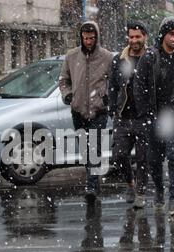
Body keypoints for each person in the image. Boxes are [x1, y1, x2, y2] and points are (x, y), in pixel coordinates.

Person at [134, 16, 174, 218]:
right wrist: (146, 114)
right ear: (164, 35)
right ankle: (160, 191)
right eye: (172, 34)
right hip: (154, 117)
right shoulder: (150, 58)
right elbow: (139, 88)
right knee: (154, 159)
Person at [59, 21, 114, 201]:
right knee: (85, 150)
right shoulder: (72, 56)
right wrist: (68, 95)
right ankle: (94, 180)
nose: (88, 41)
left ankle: (91, 186)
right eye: (85, 38)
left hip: (99, 110)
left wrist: (107, 97)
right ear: (81, 38)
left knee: (95, 148)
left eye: (91, 38)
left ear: (97, 37)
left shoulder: (106, 57)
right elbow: (64, 80)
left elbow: (114, 82)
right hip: (78, 110)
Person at [108, 21, 149, 208]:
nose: (134, 40)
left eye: (137, 37)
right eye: (131, 37)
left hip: (144, 117)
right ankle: (131, 183)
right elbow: (113, 87)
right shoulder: (119, 59)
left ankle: (141, 193)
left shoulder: (151, 59)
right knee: (118, 155)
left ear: (144, 37)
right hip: (123, 116)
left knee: (143, 158)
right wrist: (112, 108)